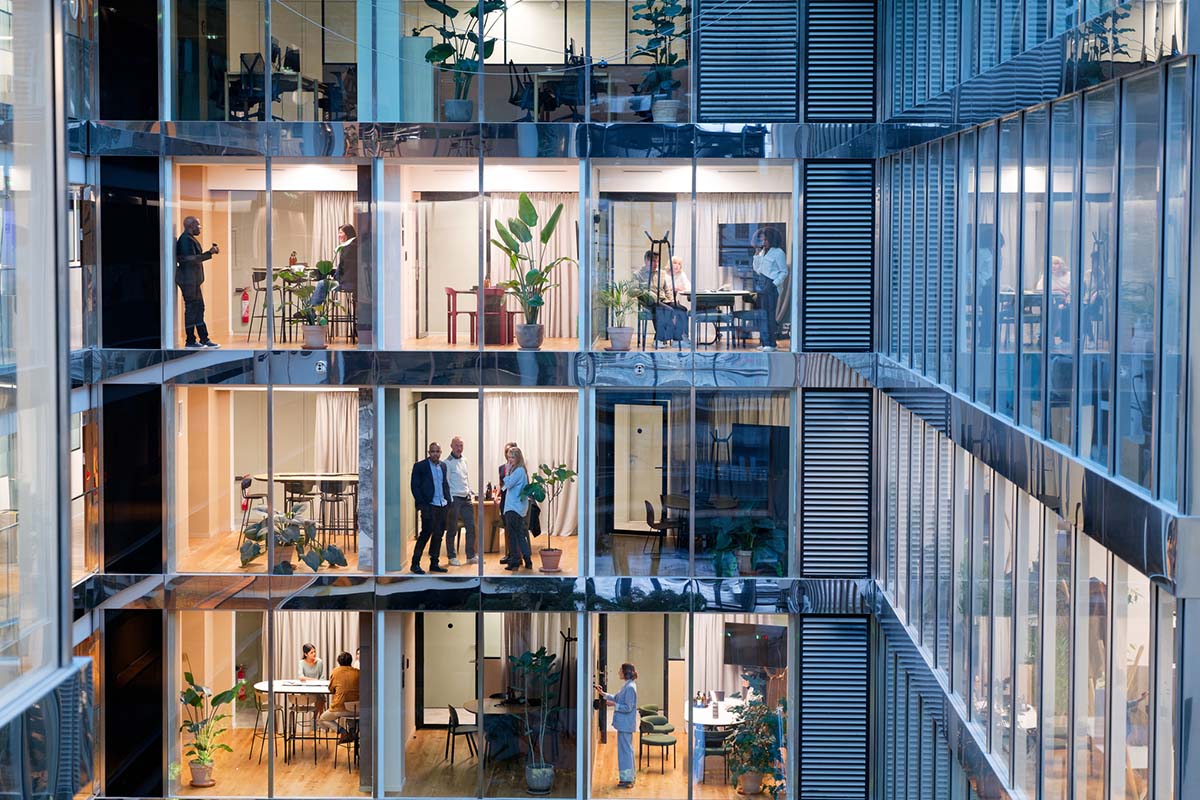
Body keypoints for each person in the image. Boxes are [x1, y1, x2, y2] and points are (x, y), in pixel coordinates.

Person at [175, 215, 221, 348]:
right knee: (191, 310)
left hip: (193, 281)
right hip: (188, 281)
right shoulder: (185, 240)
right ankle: (190, 341)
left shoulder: (189, 239)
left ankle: (204, 338)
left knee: (199, 309)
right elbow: (190, 259)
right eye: (198, 225)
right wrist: (209, 253)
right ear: (191, 226)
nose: (200, 228)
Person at [410, 442, 451, 574]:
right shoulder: (420, 466)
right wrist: (422, 505)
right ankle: (415, 563)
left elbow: (445, 484)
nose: (435, 454)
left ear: (441, 452)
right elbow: (415, 486)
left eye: (437, 451)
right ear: (429, 453)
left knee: (438, 535)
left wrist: (448, 501)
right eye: (433, 451)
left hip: (442, 505)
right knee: (425, 534)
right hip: (429, 505)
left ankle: (434, 562)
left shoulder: (443, 466)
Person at [594, 663, 638, 788]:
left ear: (625, 672)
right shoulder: (627, 685)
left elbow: (628, 707)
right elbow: (617, 698)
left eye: (620, 670)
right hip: (624, 725)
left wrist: (614, 705)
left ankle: (628, 780)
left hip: (626, 724)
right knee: (626, 751)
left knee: (625, 752)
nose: (618, 672)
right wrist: (602, 693)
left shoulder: (630, 688)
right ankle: (628, 778)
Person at [751, 226, 787, 351]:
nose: (763, 242)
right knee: (762, 315)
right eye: (762, 240)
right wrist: (756, 255)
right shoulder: (762, 252)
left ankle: (771, 344)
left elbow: (783, 272)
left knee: (770, 316)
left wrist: (774, 283)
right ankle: (765, 342)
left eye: (765, 240)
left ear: (771, 239)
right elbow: (757, 269)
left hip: (771, 285)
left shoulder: (778, 253)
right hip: (761, 284)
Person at [444, 436, 477, 566]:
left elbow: (465, 478)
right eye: (457, 445)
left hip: (466, 498)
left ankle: (470, 556)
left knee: (471, 527)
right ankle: (451, 556)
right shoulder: (447, 462)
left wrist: (469, 491)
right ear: (451, 446)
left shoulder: (465, 460)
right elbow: (445, 482)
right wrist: (450, 500)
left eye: (461, 445)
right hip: (454, 499)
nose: (459, 448)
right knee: (452, 528)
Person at [501, 446, 533, 571]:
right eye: (509, 457)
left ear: (518, 458)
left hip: (513, 508)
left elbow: (508, 484)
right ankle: (527, 560)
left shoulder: (518, 471)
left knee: (513, 536)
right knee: (520, 535)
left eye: (512, 457)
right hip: (517, 508)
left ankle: (514, 562)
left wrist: (507, 472)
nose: (510, 460)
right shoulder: (521, 471)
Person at [319, 651, 360, 742]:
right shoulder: (358, 672)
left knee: (322, 719)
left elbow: (331, 689)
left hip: (340, 709)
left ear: (339, 662)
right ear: (351, 661)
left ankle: (343, 732)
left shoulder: (336, 671)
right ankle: (353, 732)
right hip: (357, 709)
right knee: (352, 712)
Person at [498, 441, 519, 565]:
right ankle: (509, 553)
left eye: (510, 451)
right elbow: (501, 485)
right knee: (507, 528)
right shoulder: (502, 468)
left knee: (515, 529)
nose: (508, 454)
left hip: (514, 500)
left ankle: (516, 555)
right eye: (506, 452)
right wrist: (497, 495)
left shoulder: (519, 468)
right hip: (505, 499)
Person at [333, 224, 358, 296]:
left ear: (348, 234)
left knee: (322, 284)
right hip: (357, 283)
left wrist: (335, 278)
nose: (338, 235)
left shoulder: (348, 248)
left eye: (341, 233)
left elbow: (343, 268)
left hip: (348, 283)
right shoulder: (357, 245)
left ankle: (312, 306)